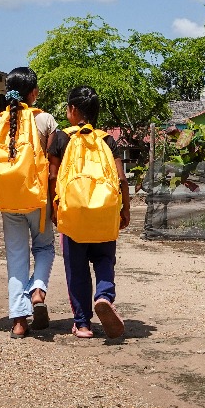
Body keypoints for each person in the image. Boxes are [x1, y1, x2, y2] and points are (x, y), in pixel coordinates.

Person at [48, 85, 130, 339]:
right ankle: (104, 296)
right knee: (105, 259)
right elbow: (121, 179)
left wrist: (54, 208)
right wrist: (125, 210)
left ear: (72, 110)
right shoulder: (107, 140)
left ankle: (82, 323)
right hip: (104, 210)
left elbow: (52, 176)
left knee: (76, 267)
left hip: (72, 212)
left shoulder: (61, 138)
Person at [0, 67, 58, 339]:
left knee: (16, 257)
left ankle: (18, 321)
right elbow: (53, 165)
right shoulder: (46, 121)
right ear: (34, 92)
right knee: (45, 247)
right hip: (38, 199)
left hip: (8, 200)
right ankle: (38, 290)